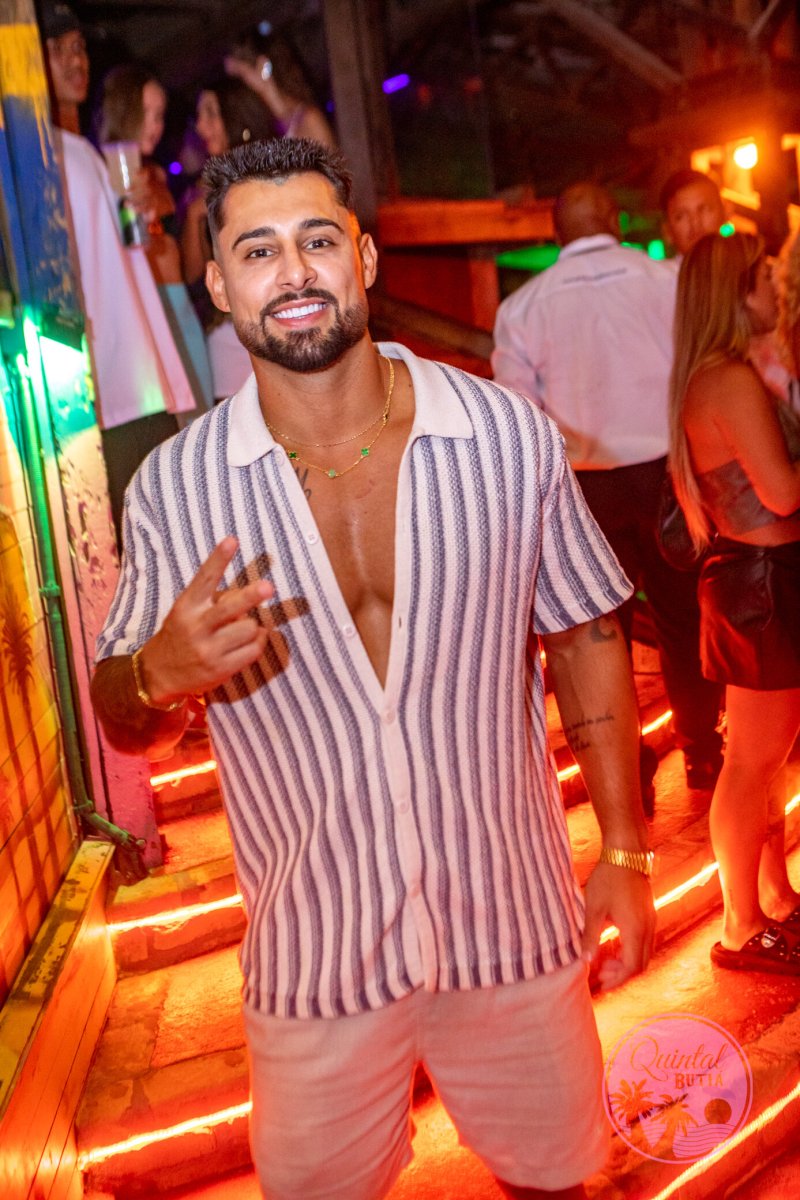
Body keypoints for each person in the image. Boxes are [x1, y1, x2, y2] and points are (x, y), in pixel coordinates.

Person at [91, 138, 656, 1200]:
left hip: (513, 925)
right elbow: (125, 714)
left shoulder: (505, 434)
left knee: (555, 1185)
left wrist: (624, 846)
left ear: (363, 257)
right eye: (257, 250)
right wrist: (160, 672)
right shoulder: (175, 489)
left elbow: (584, 631)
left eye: (317, 240)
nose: (293, 271)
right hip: (316, 956)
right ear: (217, 286)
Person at [492, 182, 723, 800]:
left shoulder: (523, 308)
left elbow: (519, 416)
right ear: (616, 222)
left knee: (602, 633)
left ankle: (629, 772)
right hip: (668, 474)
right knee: (681, 618)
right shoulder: (668, 281)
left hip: (583, 488)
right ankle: (703, 754)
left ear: (556, 234)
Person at [669, 231, 800, 974]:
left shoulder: (721, 374)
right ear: (735, 294)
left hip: (759, 578)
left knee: (764, 760)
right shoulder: (727, 379)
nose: (776, 288)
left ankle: (772, 900)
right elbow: (781, 492)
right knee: (751, 762)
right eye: (764, 278)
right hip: (760, 582)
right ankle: (741, 924)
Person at [39, 0, 196, 539]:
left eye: (79, 47)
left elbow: (125, 255)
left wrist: (139, 216)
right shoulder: (35, 155)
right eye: (56, 49)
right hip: (106, 386)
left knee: (171, 535)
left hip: (140, 372)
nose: (75, 60)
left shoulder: (83, 151)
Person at [99, 63, 214, 418]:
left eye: (159, 115)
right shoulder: (105, 177)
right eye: (146, 113)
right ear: (123, 111)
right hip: (150, 313)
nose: (155, 125)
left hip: (181, 309)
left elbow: (187, 270)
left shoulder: (157, 176)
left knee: (202, 418)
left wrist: (191, 216)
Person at [180, 80, 276, 400]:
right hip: (225, 329)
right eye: (198, 116)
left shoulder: (269, 177)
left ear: (234, 115)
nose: (201, 125)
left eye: (211, 113)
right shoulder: (201, 188)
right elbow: (193, 274)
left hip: (271, 317)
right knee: (235, 418)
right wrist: (194, 217)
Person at [224, 28, 335, 148]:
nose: (236, 92)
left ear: (263, 67)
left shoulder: (308, 120)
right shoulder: (268, 129)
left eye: (240, 75)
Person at [661, 168, 727, 261]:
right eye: (681, 216)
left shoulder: (746, 267)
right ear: (667, 231)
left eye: (704, 209)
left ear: (725, 212)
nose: (695, 223)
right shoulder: (653, 270)